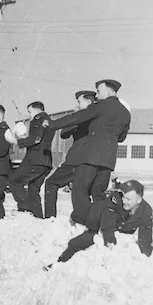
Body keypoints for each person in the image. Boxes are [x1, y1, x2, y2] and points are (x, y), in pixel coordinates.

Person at [42, 79, 131, 226]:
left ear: (109, 91)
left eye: (99, 91)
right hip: (108, 161)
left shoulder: (101, 106)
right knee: (98, 194)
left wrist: (52, 124)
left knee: (80, 190)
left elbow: (77, 117)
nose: (97, 94)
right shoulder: (125, 113)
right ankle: (106, 222)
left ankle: (84, 222)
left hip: (90, 158)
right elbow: (121, 137)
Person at [50, 180, 153, 266]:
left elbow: (146, 235)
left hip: (114, 225)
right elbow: (107, 223)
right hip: (94, 217)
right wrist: (110, 242)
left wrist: (146, 256)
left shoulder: (146, 211)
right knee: (80, 238)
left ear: (139, 200)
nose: (124, 201)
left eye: (128, 199)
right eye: (124, 197)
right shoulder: (115, 199)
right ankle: (59, 262)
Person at [44, 91, 95, 218]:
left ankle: (50, 219)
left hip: (76, 159)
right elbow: (64, 134)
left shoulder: (86, 115)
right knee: (82, 192)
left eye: (79, 102)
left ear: (89, 102)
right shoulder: (97, 117)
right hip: (90, 160)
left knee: (51, 183)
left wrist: (76, 117)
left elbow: (63, 132)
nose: (77, 105)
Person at [9, 102, 56, 219]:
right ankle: (37, 218)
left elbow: (36, 139)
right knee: (33, 189)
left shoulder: (38, 119)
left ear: (36, 110)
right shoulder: (48, 120)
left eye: (30, 112)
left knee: (14, 181)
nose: (30, 115)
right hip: (45, 161)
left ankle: (26, 208)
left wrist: (17, 141)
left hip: (35, 160)